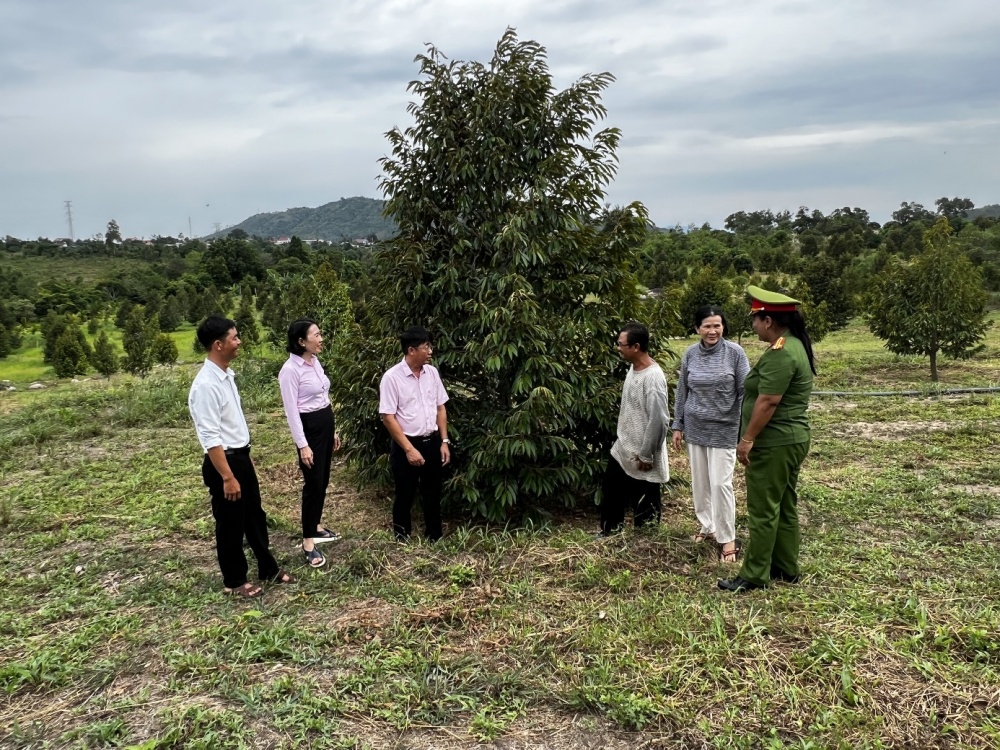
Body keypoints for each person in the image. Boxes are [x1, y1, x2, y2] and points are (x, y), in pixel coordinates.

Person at [188, 315, 295, 598]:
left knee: (254, 516)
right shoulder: (205, 386)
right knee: (230, 523)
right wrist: (228, 476)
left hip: (239, 458)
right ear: (218, 345)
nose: (239, 342)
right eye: (234, 338)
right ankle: (234, 580)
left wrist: (244, 459)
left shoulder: (226, 376)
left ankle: (267, 567)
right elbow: (210, 437)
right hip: (224, 463)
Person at [719, 287, 815, 593]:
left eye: (755, 320)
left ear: (769, 321)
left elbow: (768, 401)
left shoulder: (782, 352)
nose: (753, 326)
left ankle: (755, 574)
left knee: (763, 510)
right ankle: (786, 568)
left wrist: (747, 439)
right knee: (784, 504)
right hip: (791, 439)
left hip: (774, 442)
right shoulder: (795, 345)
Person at [672, 305, 750, 562]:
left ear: (723, 327)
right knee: (701, 484)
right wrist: (678, 424)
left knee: (721, 484)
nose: (712, 330)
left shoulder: (735, 353)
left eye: (717, 325)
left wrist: (745, 429)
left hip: (725, 428)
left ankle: (727, 538)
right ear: (697, 329)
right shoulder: (690, 354)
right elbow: (682, 390)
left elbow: (745, 391)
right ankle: (708, 527)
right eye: (707, 326)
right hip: (695, 427)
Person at [278, 319, 341, 569]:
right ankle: (308, 543)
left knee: (323, 479)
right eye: (316, 335)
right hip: (309, 429)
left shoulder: (315, 361)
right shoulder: (290, 371)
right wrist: (303, 444)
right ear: (301, 341)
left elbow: (323, 396)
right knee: (313, 483)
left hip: (325, 424)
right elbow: (291, 411)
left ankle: (315, 525)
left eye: (320, 333)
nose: (321, 338)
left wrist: (332, 430)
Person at [378, 326, 451, 541]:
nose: (430, 351)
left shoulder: (432, 373)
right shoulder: (392, 378)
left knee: (433, 492)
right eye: (426, 347)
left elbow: (440, 407)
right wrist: (409, 449)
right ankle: (402, 536)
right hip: (406, 444)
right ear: (411, 350)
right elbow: (388, 417)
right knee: (405, 493)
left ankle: (434, 535)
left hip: (432, 442)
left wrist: (444, 441)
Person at [598, 321, 670, 536]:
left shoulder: (653, 378)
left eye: (622, 344)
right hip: (624, 444)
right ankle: (610, 531)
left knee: (646, 496)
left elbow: (659, 420)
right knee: (611, 489)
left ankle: (646, 539)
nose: (618, 348)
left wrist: (647, 454)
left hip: (643, 451)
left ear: (636, 347)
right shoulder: (634, 367)